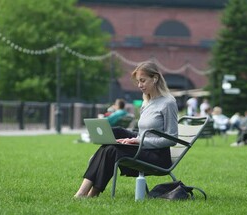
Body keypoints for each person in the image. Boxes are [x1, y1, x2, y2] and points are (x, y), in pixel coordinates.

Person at [74, 61, 178, 198]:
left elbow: (172, 139)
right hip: (143, 149)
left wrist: (139, 141)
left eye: (143, 81)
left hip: (158, 157)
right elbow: (142, 134)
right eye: (138, 81)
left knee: (111, 149)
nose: (139, 85)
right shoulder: (147, 102)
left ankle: (86, 193)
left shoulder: (168, 103)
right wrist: (133, 139)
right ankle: (89, 192)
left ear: (155, 78)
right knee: (115, 133)